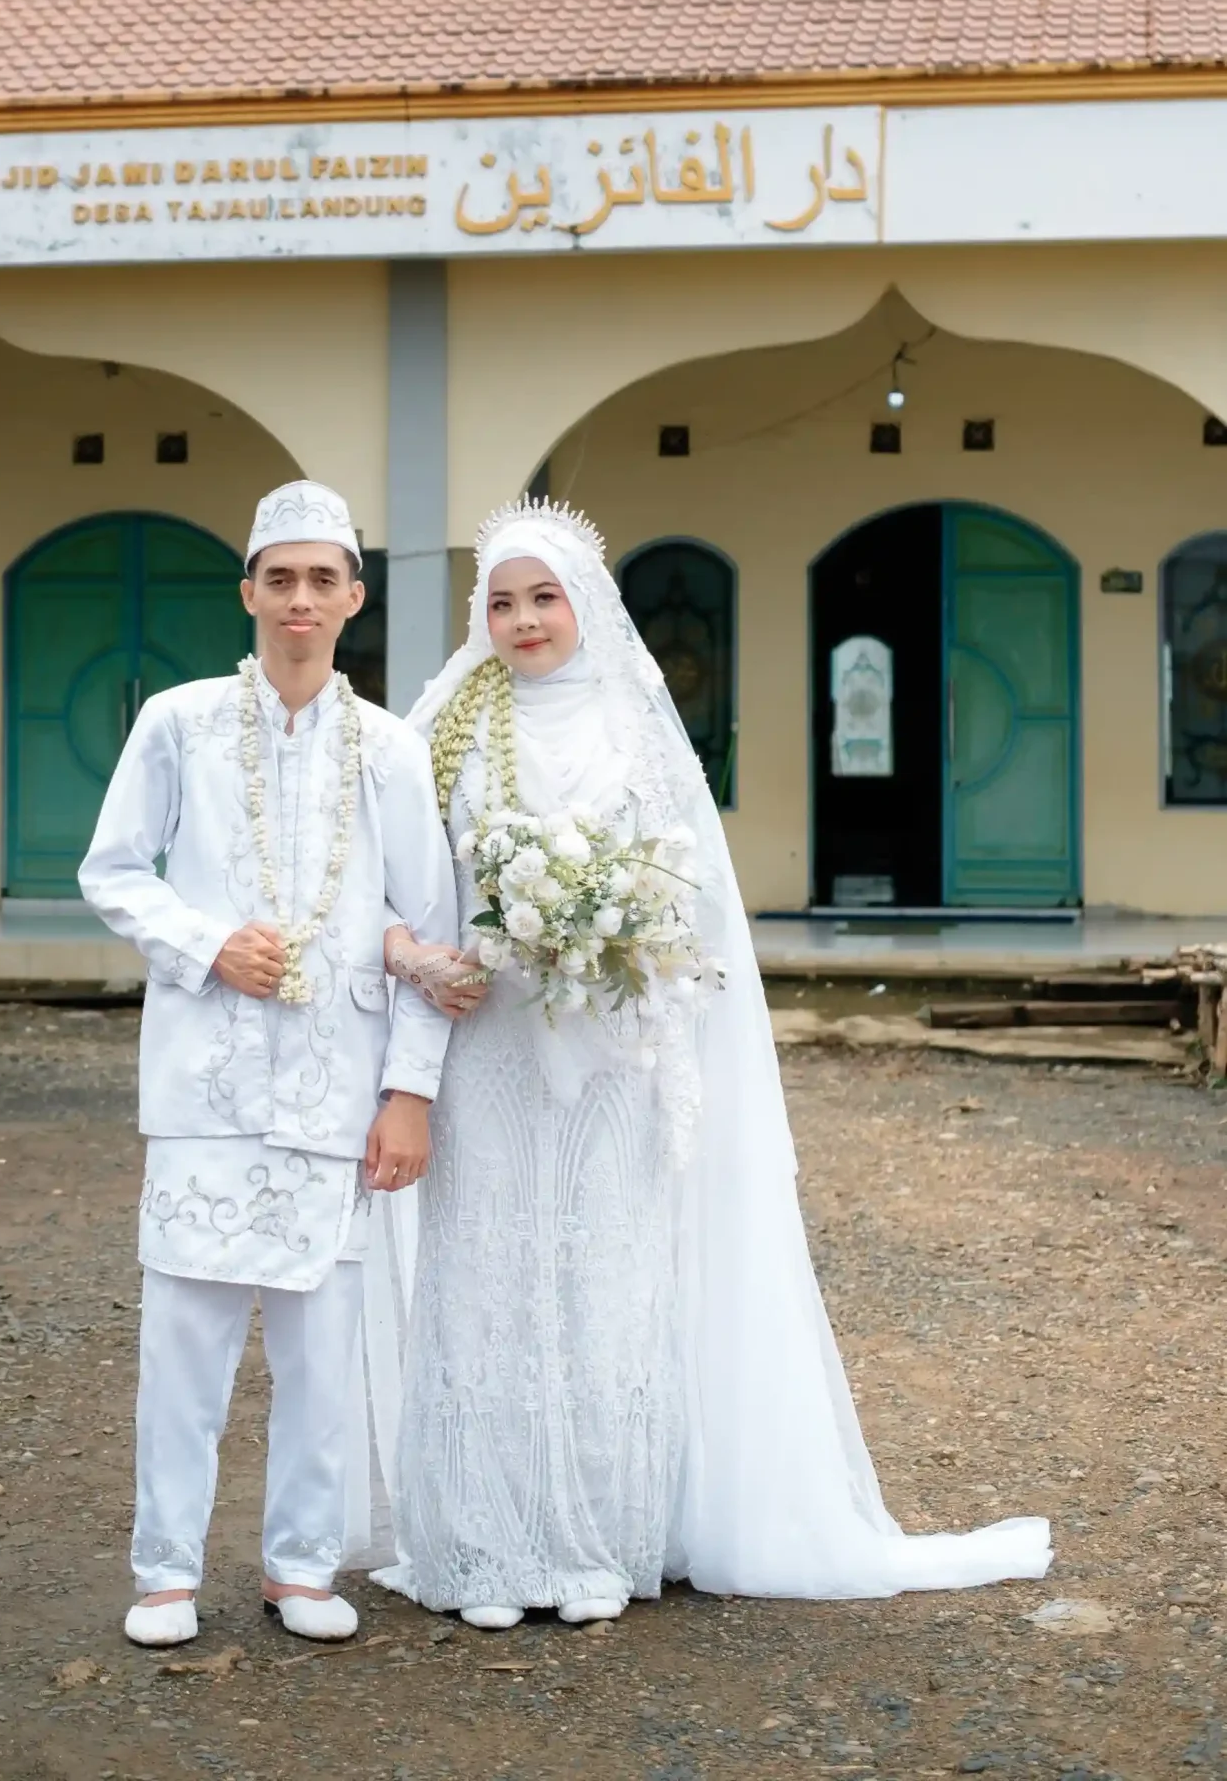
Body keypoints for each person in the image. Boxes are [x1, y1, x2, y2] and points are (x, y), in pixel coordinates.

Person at [372, 497, 1052, 1628]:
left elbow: (689, 894)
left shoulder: (633, 724)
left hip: (611, 1053)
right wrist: (432, 961)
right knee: (486, 1282)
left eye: (544, 598)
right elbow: (400, 878)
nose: (523, 620)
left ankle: (592, 1540)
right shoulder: (445, 727)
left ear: (587, 606)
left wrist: (612, 937)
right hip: (487, 1045)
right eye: (501, 602)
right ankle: (482, 1546)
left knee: (600, 1283)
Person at [79, 479, 461, 1650]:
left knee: (320, 1356)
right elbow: (111, 869)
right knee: (182, 1351)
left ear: (353, 598)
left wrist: (408, 1093)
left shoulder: (390, 750)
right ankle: (163, 1572)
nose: (300, 598)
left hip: (336, 1094)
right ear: (248, 591)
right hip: (201, 1086)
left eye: (321, 579)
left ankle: (299, 1567)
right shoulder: (179, 723)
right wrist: (206, 942)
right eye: (280, 577)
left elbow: (429, 927)